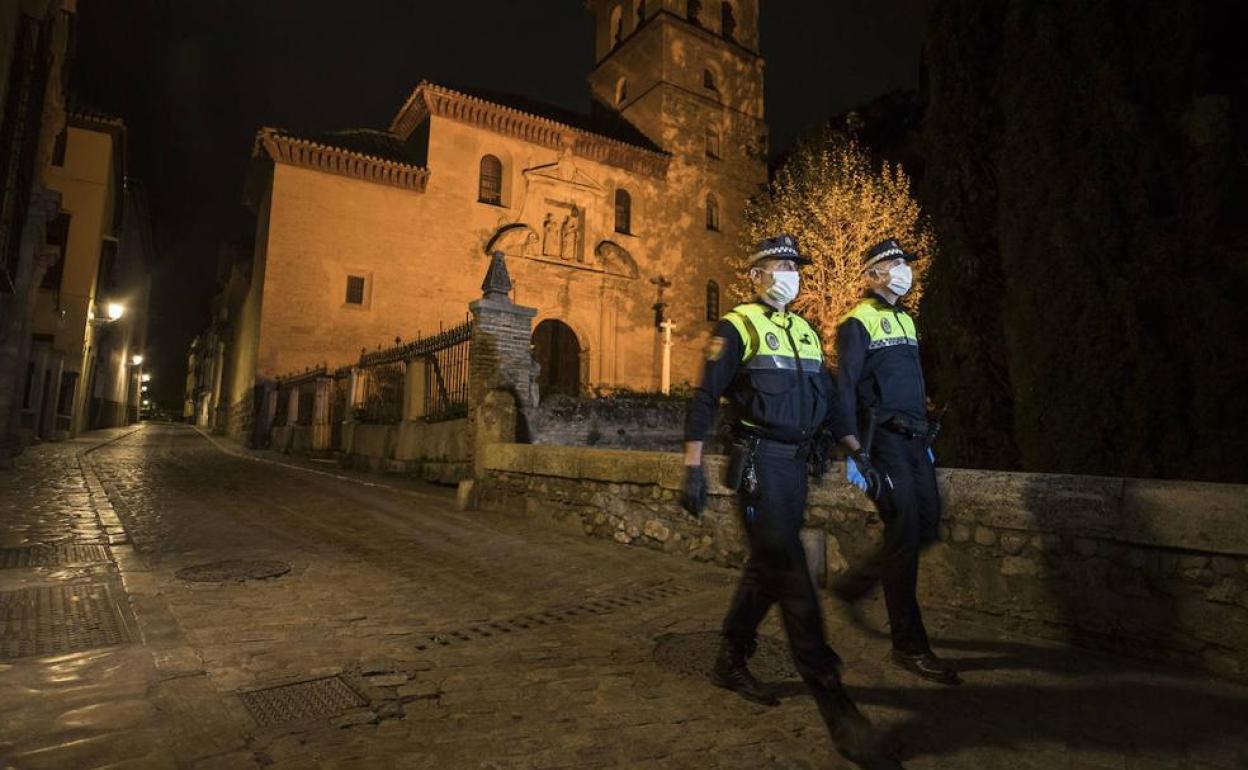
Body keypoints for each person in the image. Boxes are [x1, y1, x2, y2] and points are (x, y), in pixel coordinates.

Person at [681, 235, 891, 765]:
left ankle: (730, 657)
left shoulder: (803, 331)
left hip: (797, 468)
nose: (788, 274)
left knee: (767, 565)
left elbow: (830, 405)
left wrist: (855, 451)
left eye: (793, 266)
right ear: (755, 276)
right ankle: (837, 709)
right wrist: (692, 465)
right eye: (778, 265)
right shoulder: (737, 326)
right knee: (792, 576)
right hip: (758, 465)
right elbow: (706, 396)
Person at [828, 237, 960, 686]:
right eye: (894, 262)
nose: (904, 268)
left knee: (928, 523)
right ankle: (910, 646)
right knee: (904, 528)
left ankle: (853, 584)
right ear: (872, 274)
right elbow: (844, 386)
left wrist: (924, 434)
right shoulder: (856, 321)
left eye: (906, 261)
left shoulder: (906, 319)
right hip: (880, 441)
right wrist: (852, 448)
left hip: (913, 439)